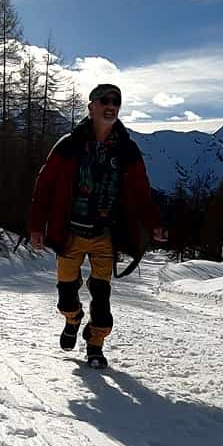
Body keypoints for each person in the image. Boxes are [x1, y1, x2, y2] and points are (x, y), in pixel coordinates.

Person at [28, 83, 166, 368]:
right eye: (104, 100)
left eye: (116, 101)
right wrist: (36, 226)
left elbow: (141, 191)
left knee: (101, 298)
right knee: (67, 296)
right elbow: (45, 185)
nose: (111, 105)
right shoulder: (68, 144)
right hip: (70, 234)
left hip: (106, 235)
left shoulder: (127, 150)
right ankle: (73, 319)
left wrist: (154, 224)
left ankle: (95, 345)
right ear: (91, 107)